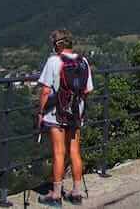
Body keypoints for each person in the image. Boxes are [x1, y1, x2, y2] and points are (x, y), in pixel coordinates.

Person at [37, 29, 93, 206]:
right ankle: (76, 193)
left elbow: (46, 91)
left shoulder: (53, 61)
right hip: (76, 113)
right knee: (75, 152)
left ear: (56, 45)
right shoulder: (83, 61)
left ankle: (55, 195)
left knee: (59, 153)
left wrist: (40, 113)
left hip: (57, 114)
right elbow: (88, 90)